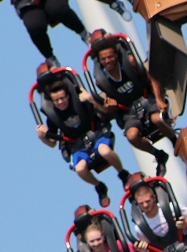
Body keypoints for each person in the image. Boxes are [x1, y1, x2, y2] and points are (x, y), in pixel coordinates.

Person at [35, 66, 128, 206]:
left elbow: (104, 111)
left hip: (95, 135)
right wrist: (42, 137)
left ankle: (123, 174)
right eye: (57, 101)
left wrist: (91, 100)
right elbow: (53, 143)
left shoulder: (79, 101)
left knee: (104, 150)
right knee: (80, 169)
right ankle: (99, 187)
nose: (61, 102)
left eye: (62, 98)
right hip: (77, 145)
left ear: (67, 95)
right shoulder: (53, 116)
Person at [89, 33, 177, 174]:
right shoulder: (101, 81)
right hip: (129, 111)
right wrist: (109, 107)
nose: (108, 61)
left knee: (157, 119)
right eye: (103, 59)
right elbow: (107, 106)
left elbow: (151, 80)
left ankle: (174, 140)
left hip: (146, 99)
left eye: (110, 57)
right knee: (131, 136)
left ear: (116, 55)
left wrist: (159, 99)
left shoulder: (130, 62)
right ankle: (158, 155)